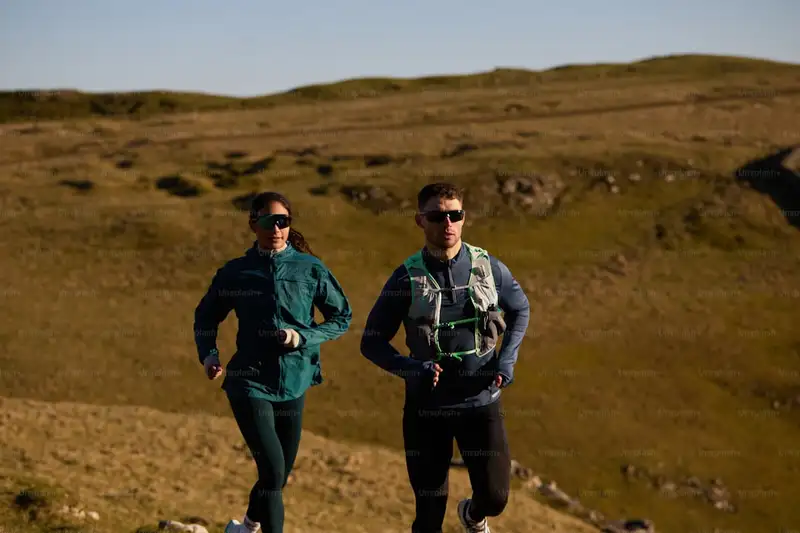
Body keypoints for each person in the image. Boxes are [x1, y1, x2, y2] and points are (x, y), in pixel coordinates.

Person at [360, 182, 530, 533]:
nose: (448, 223)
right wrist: (411, 369)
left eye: (456, 215)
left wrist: (507, 361)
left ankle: (472, 514)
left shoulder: (489, 267)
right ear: (420, 221)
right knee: (429, 513)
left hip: (481, 402)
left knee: (496, 498)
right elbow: (371, 341)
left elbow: (520, 309)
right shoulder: (405, 278)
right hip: (427, 409)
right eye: (438, 216)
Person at [193, 191, 352, 533]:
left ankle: (247, 526)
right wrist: (209, 354)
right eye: (268, 221)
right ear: (253, 224)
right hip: (249, 381)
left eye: (283, 221)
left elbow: (341, 317)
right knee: (273, 471)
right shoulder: (237, 273)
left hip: (295, 380)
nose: (277, 228)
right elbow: (206, 317)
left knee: (278, 475)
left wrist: (303, 337)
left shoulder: (310, 269)